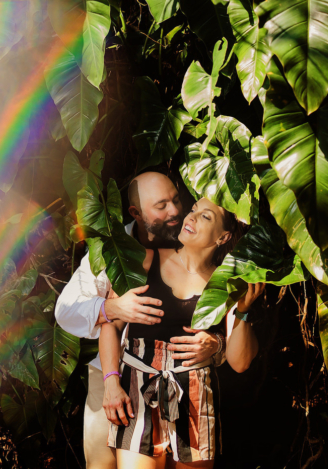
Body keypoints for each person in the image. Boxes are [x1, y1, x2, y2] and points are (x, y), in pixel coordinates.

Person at [55, 172, 224, 469]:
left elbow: (218, 323)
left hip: (181, 379)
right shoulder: (112, 249)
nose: (174, 212)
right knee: (103, 464)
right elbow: (64, 311)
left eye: (175, 200)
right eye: (161, 206)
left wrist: (218, 345)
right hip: (115, 373)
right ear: (136, 213)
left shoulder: (192, 249)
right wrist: (113, 308)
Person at [100, 197, 262, 468]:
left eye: (206, 217)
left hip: (195, 396)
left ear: (223, 237)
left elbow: (240, 361)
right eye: (194, 210)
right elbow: (111, 324)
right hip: (137, 390)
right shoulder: (146, 259)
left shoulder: (228, 282)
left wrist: (242, 312)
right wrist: (110, 382)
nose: (192, 217)